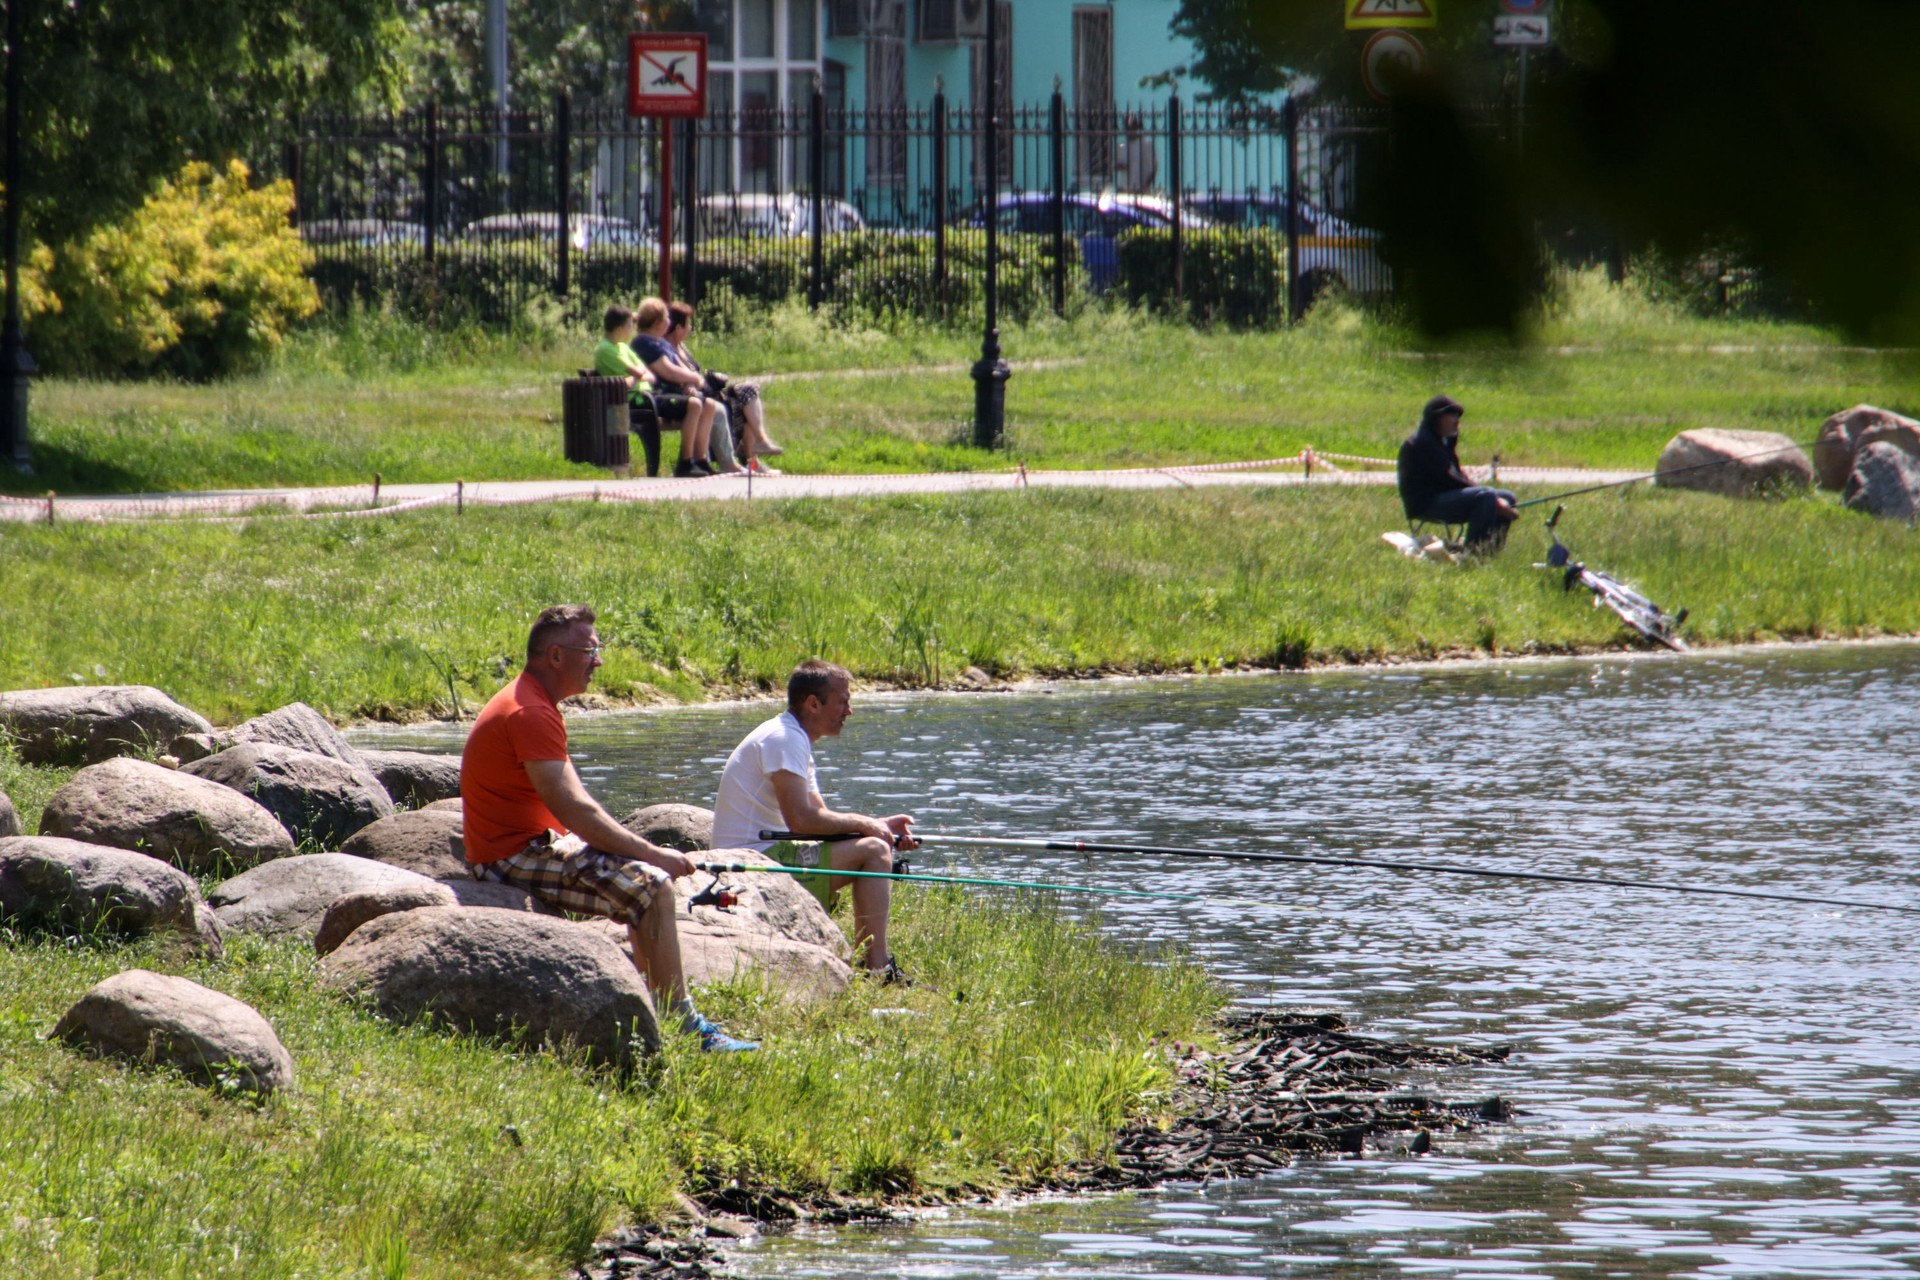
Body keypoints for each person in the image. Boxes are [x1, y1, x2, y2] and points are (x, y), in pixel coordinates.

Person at [461, 604, 757, 1052]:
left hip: (530, 844)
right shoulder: (529, 713)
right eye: (590, 650)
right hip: (511, 857)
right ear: (556, 656)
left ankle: (654, 1004)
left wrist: (624, 849)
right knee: (653, 886)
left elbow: (573, 810)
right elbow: (578, 811)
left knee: (640, 882)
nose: (598, 661)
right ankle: (684, 1026)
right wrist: (653, 854)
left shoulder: (534, 702)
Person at [711, 660, 916, 984]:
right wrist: (869, 828)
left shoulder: (793, 738)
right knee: (874, 852)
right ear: (813, 703)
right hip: (749, 865)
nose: (849, 711)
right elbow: (802, 820)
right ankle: (877, 970)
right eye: (843, 701)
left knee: (875, 844)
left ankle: (870, 965)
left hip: (767, 855)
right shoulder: (784, 739)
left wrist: (878, 825)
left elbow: (818, 818)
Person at [666, 302, 784, 476]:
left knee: (749, 392)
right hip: (698, 398)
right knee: (744, 401)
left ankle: (757, 453)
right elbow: (676, 377)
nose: (690, 329)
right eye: (688, 324)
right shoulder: (667, 350)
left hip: (708, 394)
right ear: (678, 328)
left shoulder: (682, 347)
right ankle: (757, 451)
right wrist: (693, 383)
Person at [1396, 394, 1518, 550]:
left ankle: (1491, 549)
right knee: (1486, 496)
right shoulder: (1423, 442)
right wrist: (1491, 497)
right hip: (1426, 504)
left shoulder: (1443, 441)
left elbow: (1457, 475)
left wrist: (1492, 497)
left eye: (1457, 416)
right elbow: (1449, 478)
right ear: (1437, 418)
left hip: (1444, 497)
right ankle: (1473, 552)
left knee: (1508, 497)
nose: (1457, 420)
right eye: (1451, 415)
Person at [631, 297, 718, 478]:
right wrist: (695, 378)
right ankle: (685, 463)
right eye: (667, 318)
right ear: (657, 323)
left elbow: (681, 368)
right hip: (653, 398)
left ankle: (700, 460)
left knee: (708, 404)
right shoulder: (643, 343)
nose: (670, 322)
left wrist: (690, 384)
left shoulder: (661, 342)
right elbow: (669, 372)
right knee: (694, 405)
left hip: (670, 394)